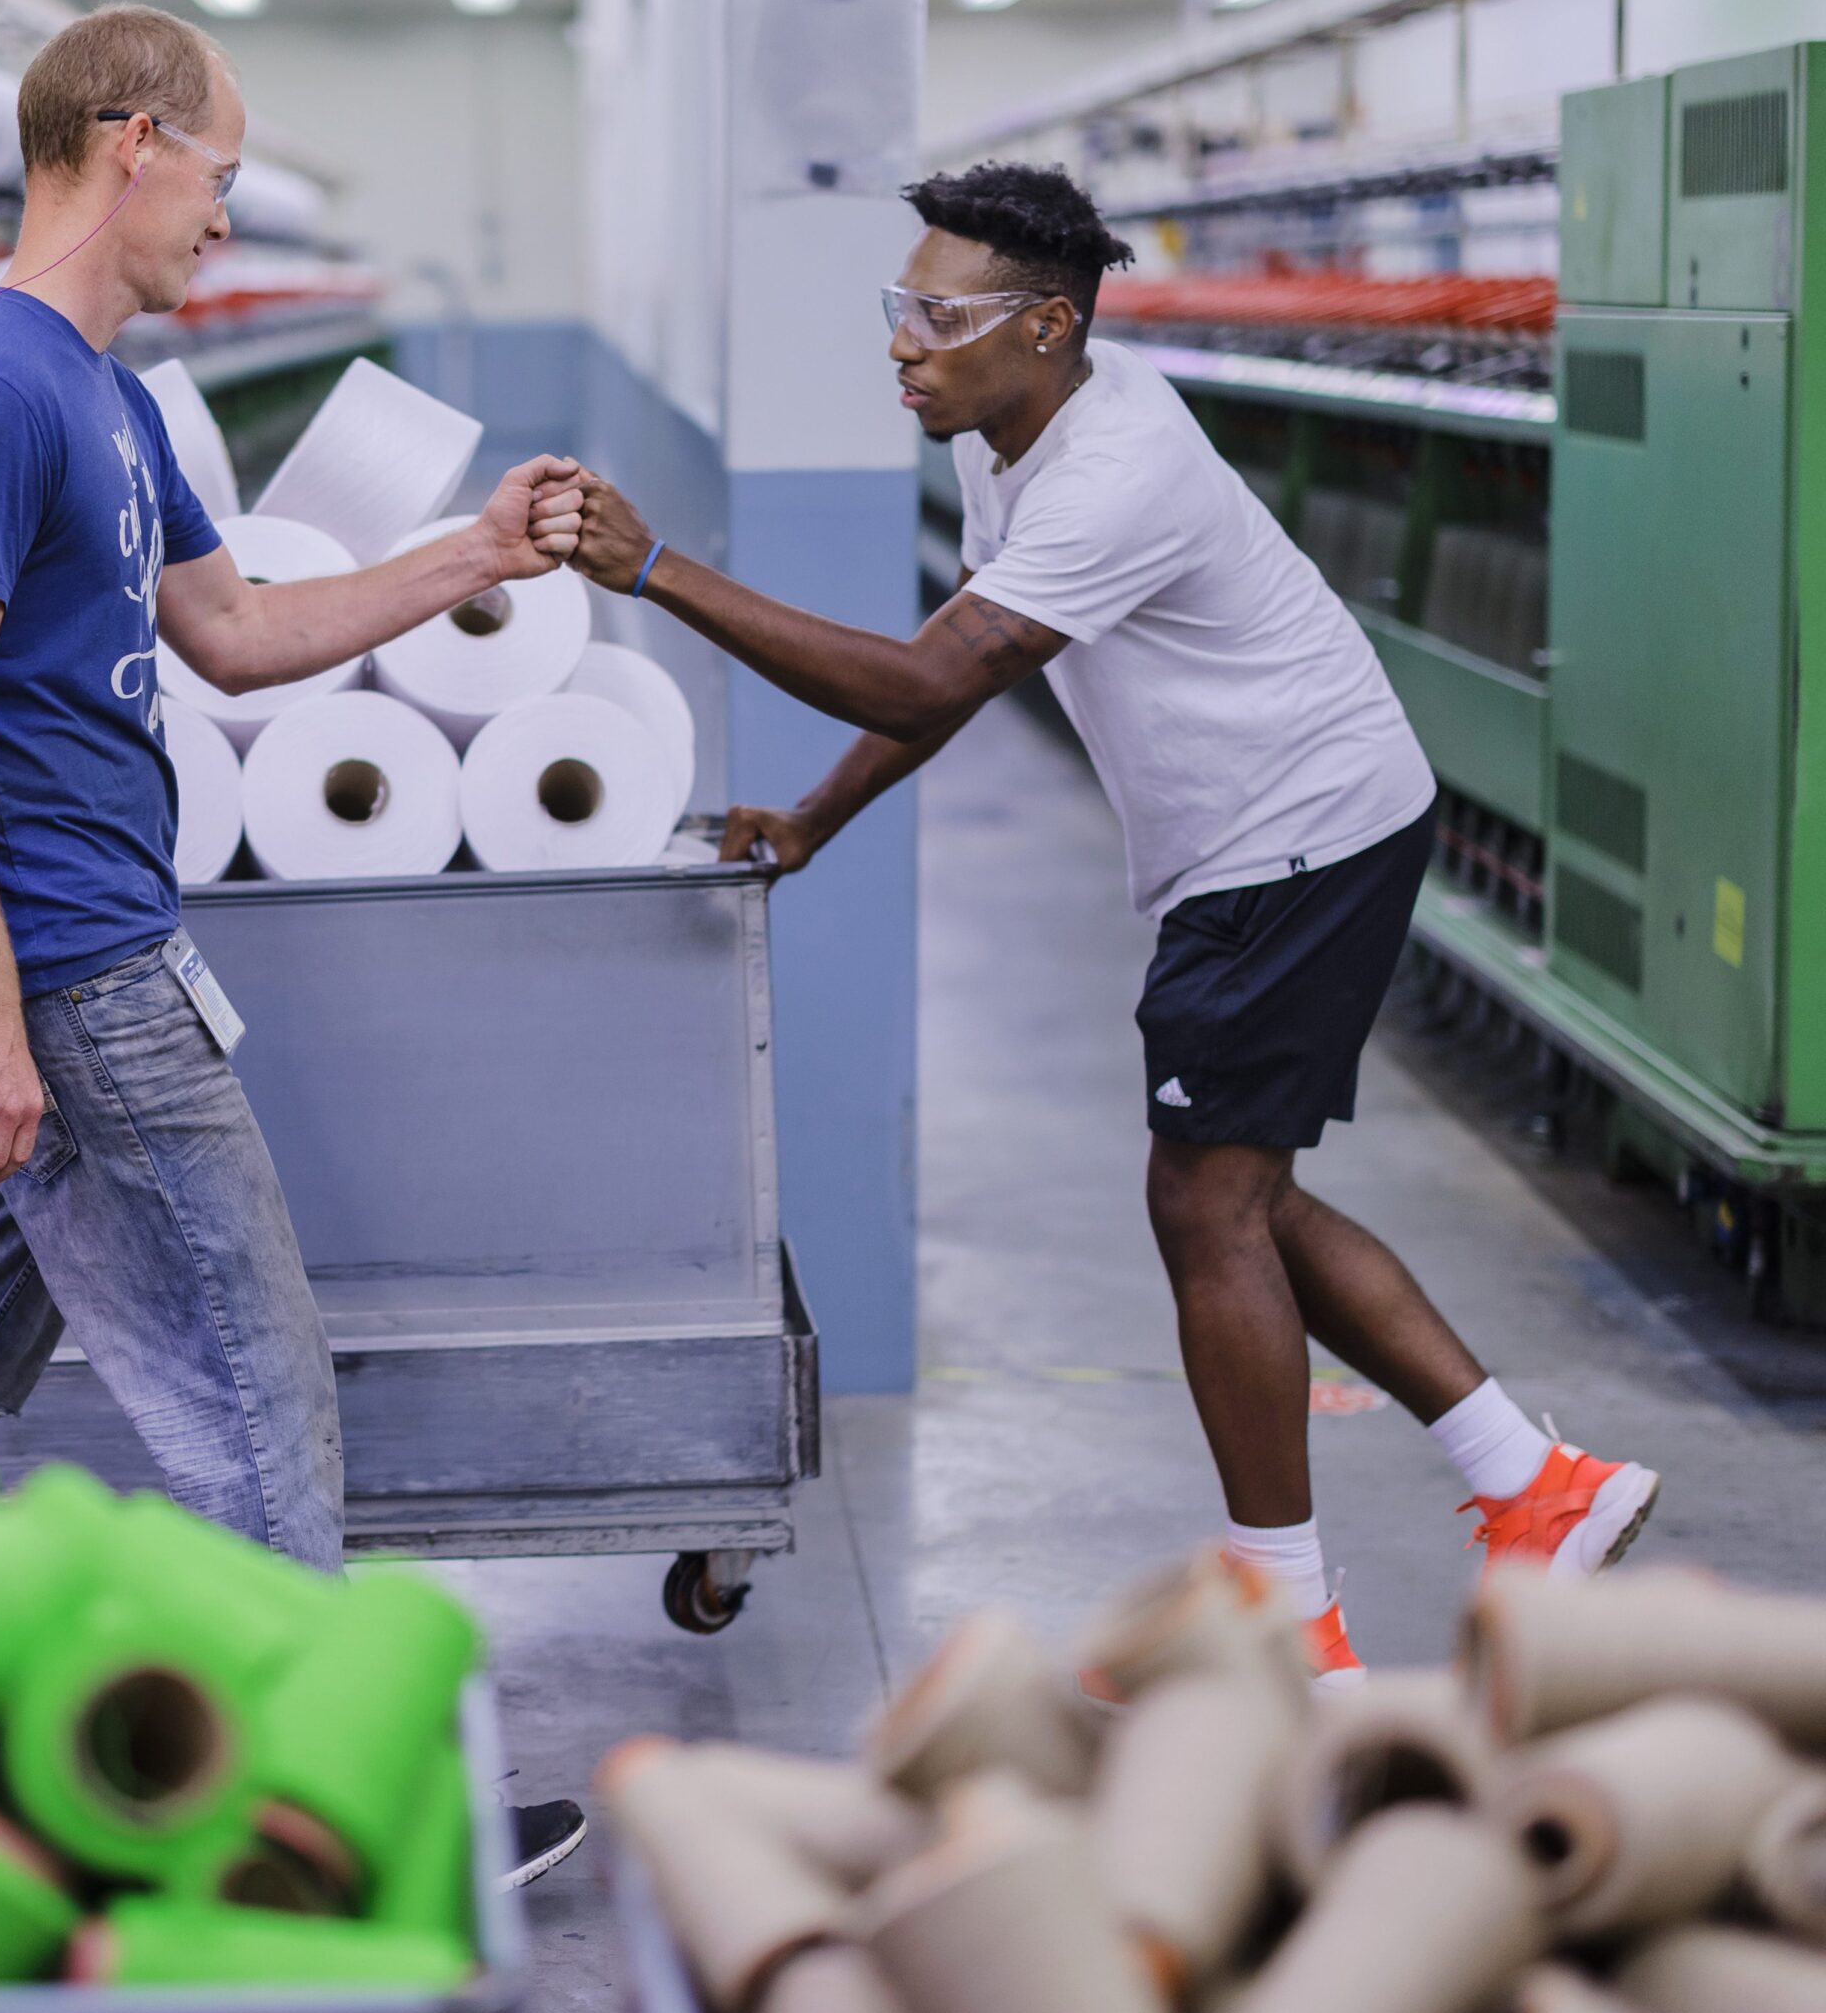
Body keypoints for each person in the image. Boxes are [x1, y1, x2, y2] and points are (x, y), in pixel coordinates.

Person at [550, 160, 1659, 1681]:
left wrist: (660, 570)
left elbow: (934, 675)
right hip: (1266, 842)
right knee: (1239, 1196)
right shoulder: (1012, 432)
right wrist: (814, 816)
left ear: (1048, 326)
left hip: (1297, 837)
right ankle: (1534, 1483)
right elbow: (963, 661)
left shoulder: (1113, 464)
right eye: (900, 305)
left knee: (1204, 1206)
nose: (902, 341)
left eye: (937, 313)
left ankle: (1298, 1628)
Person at [0, 3, 585, 1877]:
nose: (229, 224)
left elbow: (237, 634)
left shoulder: (115, 398)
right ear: (127, 142)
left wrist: (475, 556)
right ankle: (338, 1814)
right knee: (259, 1385)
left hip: (90, 965)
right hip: (72, 981)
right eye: (223, 177)